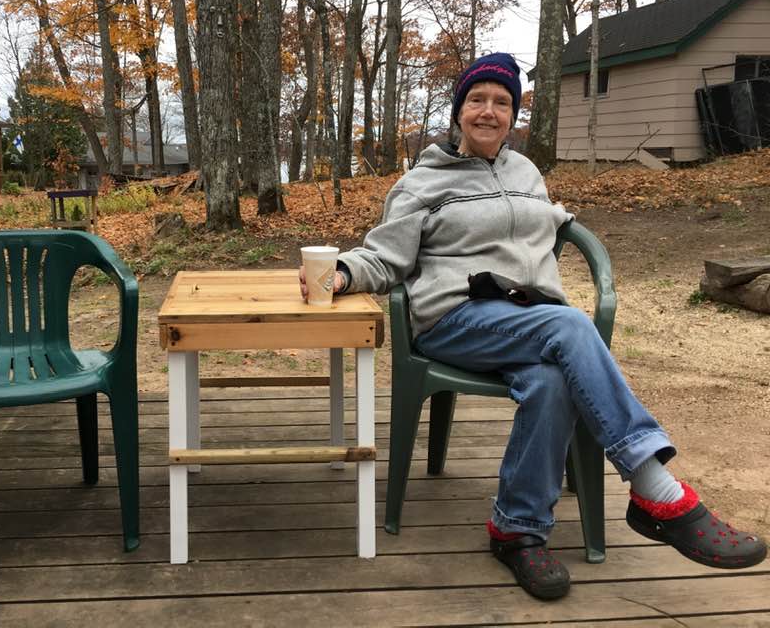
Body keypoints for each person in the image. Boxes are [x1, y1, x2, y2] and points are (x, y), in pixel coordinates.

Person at [298, 52, 766, 600]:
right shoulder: (422, 181)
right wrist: (343, 273)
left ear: (513, 115)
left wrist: (558, 218)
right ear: (459, 112)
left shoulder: (526, 173)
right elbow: (387, 258)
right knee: (569, 328)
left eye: (502, 102)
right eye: (477, 100)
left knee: (552, 380)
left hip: (527, 318)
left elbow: (542, 219)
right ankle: (654, 486)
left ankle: (516, 531)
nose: (489, 112)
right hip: (455, 318)